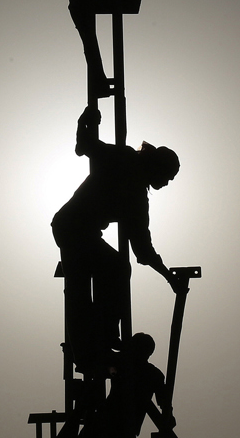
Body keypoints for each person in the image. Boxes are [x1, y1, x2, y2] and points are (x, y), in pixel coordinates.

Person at [52, 105, 182, 377]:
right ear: (156, 167)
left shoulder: (138, 199)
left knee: (114, 269)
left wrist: (167, 276)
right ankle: (91, 351)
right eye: (168, 177)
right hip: (71, 228)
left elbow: (142, 249)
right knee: (91, 284)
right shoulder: (124, 159)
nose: (167, 184)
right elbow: (84, 146)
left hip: (83, 233)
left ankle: (104, 336)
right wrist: (84, 120)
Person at [66, 333, 174, 438]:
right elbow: (164, 400)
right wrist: (168, 416)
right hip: (120, 429)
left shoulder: (125, 365)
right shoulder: (151, 373)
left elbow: (102, 365)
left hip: (109, 425)